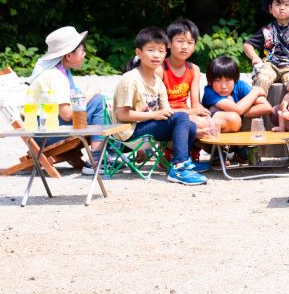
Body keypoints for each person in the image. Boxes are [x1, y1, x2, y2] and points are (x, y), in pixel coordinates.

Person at [113, 27, 207, 186]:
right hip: (129, 132)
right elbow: (122, 115)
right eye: (151, 50)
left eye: (161, 51)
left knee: (190, 125)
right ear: (139, 53)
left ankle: (179, 161)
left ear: (165, 53)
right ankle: (179, 167)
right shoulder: (130, 79)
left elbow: (167, 113)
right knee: (182, 118)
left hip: (147, 126)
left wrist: (199, 130)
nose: (156, 55)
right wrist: (153, 115)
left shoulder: (158, 83)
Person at [28, 26, 108, 174]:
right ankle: (96, 160)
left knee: (99, 102)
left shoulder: (61, 71)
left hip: (44, 129)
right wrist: (90, 92)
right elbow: (66, 114)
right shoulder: (55, 76)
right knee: (98, 101)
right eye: (82, 51)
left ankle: (103, 154)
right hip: (45, 134)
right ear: (68, 56)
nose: (84, 54)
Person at [243, 0, 289, 90]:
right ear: (270, 8)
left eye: (287, 4)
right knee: (262, 78)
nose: (282, 8)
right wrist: (255, 57)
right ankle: (260, 103)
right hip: (269, 65)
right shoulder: (266, 30)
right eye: (278, 4)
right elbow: (247, 45)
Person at [160, 19, 212, 128]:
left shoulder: (194, 69)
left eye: (190, 43)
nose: (185, 47)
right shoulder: (160, 69)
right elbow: (159, 108)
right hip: (167, 116)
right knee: (202, 124)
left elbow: (195, 103)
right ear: (169, 43)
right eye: (180, 41)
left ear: (194, 46)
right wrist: (192, 112)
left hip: (187, 113)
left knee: (214, 121)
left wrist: (202, 111)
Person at [200, 54, 272, 132]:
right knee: (215, 109)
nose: (223, 86)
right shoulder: (209, 91)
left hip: (240, 126)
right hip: (219, 127)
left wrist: (240, 109)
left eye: (228, 80)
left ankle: (248, 143)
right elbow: (238, 110)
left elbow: (267, 107)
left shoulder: (239, 85)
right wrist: (255, 91)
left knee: (248, 112)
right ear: (210, 82)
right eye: (217, 80)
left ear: (235, 80)